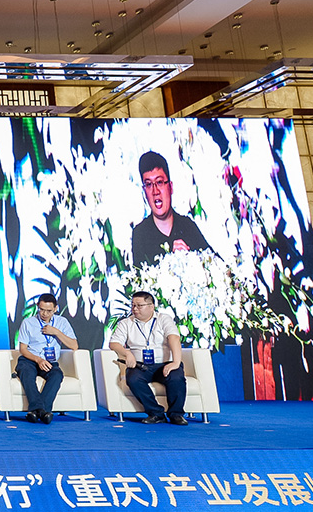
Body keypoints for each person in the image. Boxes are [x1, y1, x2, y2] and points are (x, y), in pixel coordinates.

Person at [108, 290, 188, 425]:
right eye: (133, 305)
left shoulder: (164, 319)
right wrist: (127, 353)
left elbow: (174, 338)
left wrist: (176, 362)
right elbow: (114, 343)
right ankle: (156, 413)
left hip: (165, 364)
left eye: (139, 305)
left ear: (151, 307)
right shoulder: (126, 323)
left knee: (176, 377)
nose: (135, 309)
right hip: (140, 365)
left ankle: (176, 414)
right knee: (133, 379)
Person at [131, 151, 212, 268]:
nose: (155, 191)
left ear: (170, 187)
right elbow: (140, 277)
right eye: (148, 184)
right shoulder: (140, 235)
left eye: (159, 182)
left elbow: (215, 264)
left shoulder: (187, 226)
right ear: (144, 192)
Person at [15, 293, 78, 424]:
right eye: (42, 309)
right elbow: (23, 349)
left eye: (49, 311)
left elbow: (74, 345)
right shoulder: (28, 323)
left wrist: (56, 332)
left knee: (57, 375)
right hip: (30, 359)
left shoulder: (62, 322)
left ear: (55, 309)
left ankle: (36, 411)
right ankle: (44, 412)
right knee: (26, 372)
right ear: (38, 306)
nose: (44, 314)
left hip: (50, 362)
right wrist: (38, 360)